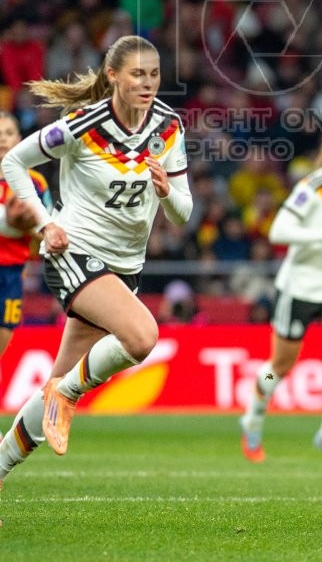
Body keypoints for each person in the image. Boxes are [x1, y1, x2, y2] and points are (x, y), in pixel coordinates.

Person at [0, 36, 192, 492]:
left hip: (125, 267)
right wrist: (46, 224)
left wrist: (167, 192)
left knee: (55, 381)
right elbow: (13, 161)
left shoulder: (168, 127)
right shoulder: (82, 125)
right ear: (113, 76)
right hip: (74, 253)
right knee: (143, 336)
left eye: (154, 74)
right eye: (137, 74)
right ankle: (65, 395)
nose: (147, 84)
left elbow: (184, 213)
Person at [239, 123, 322, 463]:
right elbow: (279, 232)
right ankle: (253, 417)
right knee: (279, 367)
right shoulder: (310, 188)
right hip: (299, 287)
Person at [0, 112, 51, 360]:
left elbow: (50, 233)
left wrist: (28, 226)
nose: (2, 140)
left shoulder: (35, 184)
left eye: (8, 134)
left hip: (12, 274)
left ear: (19, 140)